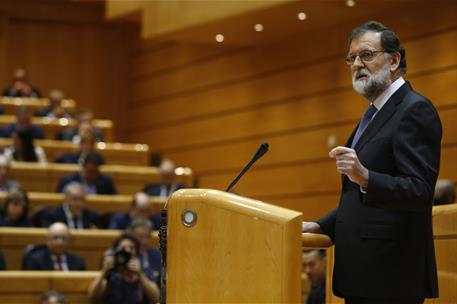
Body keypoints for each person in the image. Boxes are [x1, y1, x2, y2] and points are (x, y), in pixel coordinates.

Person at [302, 21, 441, 304]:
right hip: (366, 274)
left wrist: (365, 176)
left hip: (391, 277)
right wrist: (321, 225)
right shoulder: (375, 113)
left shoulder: (415, 109)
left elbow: (420, 190)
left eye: (366, 55)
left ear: (394, 60)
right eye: (351, 58)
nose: (356, 64)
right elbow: (359, 196)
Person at [88, 233, 160, 304]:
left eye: (131, 248)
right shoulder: (112, 271)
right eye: (123, 248)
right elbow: (92, 296)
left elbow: (155, 298)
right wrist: (104, 272)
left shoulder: (144, 269)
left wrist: (140, 274)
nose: (127, 251)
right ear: (116, 251)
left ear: (137, 252)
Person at [126, 219, 161, 285]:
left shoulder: (157, 255)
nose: (144, 242)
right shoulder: (123, 253)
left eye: (147, 237)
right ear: (131, 236)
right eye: (140, 237)